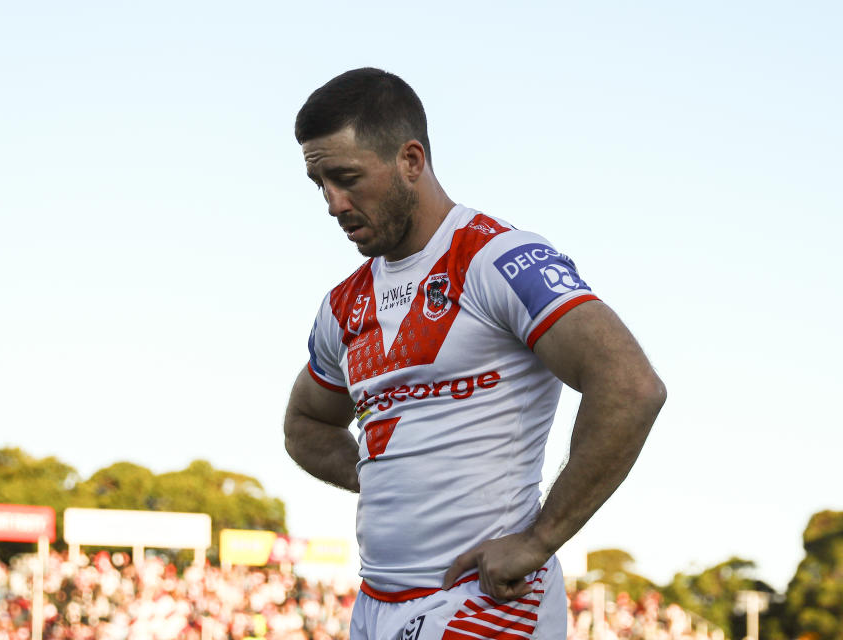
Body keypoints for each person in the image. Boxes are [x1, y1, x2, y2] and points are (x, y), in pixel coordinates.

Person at [283, 68, 666, 640]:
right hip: (373, 605)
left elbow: (632, 385)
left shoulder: (496, 258)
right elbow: (306, 425)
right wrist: (390, 477)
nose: (333, 204)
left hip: (487, 601)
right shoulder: (343, 304)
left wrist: (540, 539)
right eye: (320, 185)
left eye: (346, 178)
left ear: (411, 160)